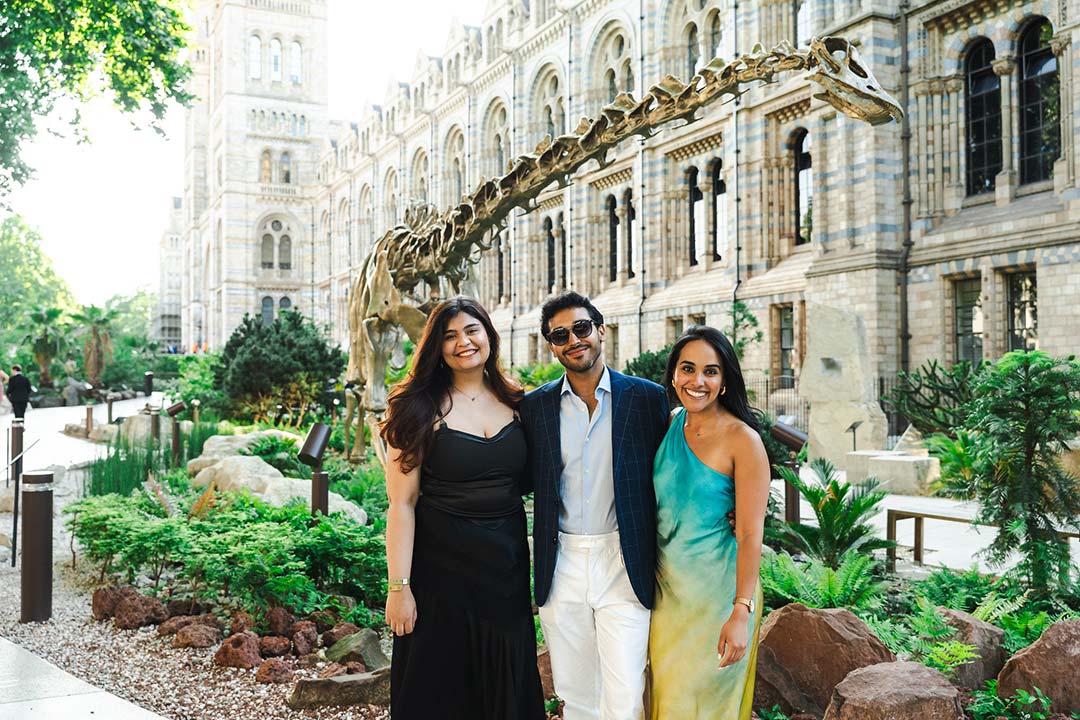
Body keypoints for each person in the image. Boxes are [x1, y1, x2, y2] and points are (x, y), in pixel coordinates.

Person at [380, 296, 545, 720]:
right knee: (439, 691)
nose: (463, 342)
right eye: (449, 335)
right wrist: (399, 588)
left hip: (504, 576)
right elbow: (402, 503)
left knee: (503, 687)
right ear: (436, 346)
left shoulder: (520, 404)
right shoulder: (414, 408)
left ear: (489, 335)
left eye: (471, 330)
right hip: (439, 577)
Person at [520, 291, 669, 720]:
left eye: (581, 328)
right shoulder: (535, 407)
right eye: (560, 334)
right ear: (551, 344)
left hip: (624, 560)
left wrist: (727, 507)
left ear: (601, 330)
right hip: (561, 559)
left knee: (624, 694)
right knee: (576, 692)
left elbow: (675, 467)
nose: (573, 340)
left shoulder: (646, 398)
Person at [648, 326, 770, 720]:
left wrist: (741, 611)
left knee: (707, 709)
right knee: (667, 703)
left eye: (710, 371)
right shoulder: (668, 424)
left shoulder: (743, 440)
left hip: (719, 598)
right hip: (667, 600)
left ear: (724, 380)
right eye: (687, 369)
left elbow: (751, 532)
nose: (697, 381)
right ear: (673, 375)